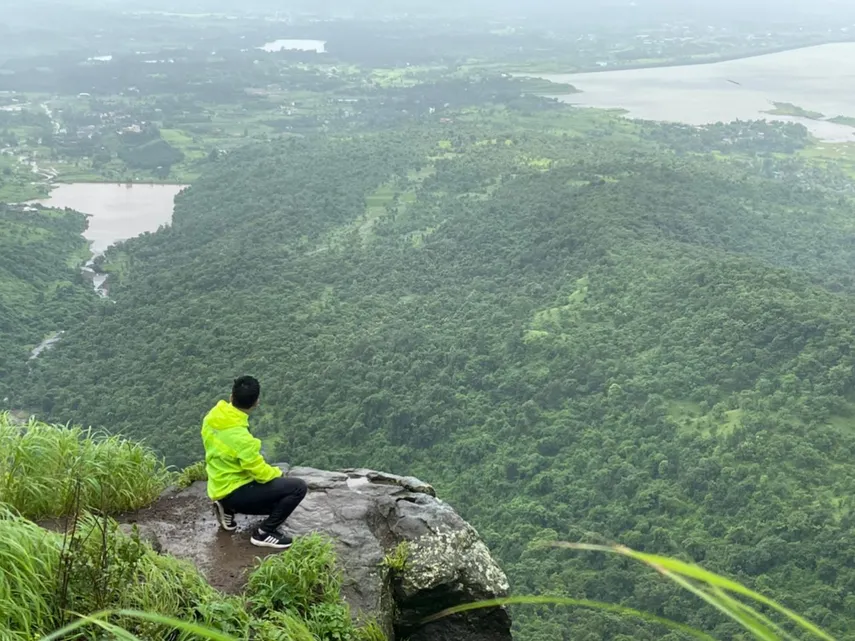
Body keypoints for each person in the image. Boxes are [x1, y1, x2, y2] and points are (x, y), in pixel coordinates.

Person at [201, 376, 307, 549]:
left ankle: (226, 508)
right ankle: (264, 533)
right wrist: (278, 474)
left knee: (278, 493)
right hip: (236, 491)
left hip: (218, 485)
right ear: (256, 403)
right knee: (297, 488)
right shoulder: (242, 438)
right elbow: (261, 473)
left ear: (231, 396)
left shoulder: (212, 418)